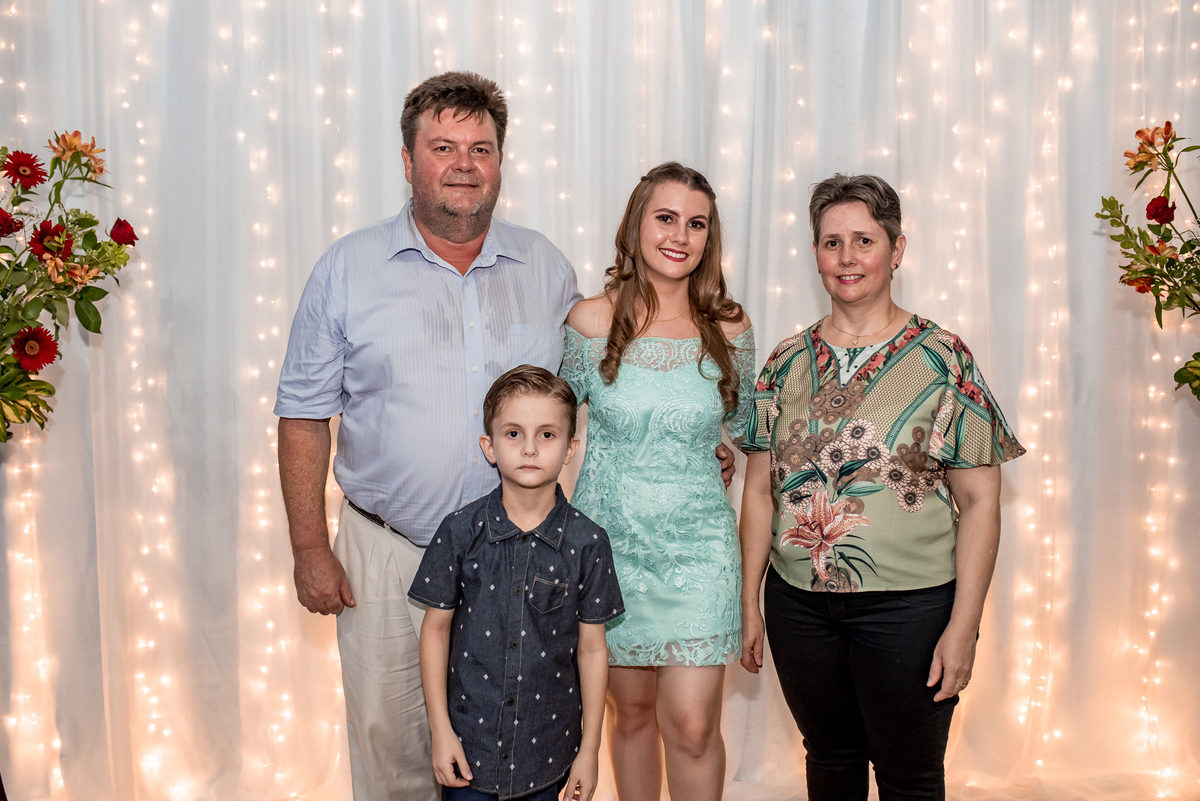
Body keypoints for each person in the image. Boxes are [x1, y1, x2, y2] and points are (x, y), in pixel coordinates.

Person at [274, 72, 584, 801]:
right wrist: (310, 548)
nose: (463, 164)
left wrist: (694, 435)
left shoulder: (545, 267)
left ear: (501, 161)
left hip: (519, 558)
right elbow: (303, 415)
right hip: (388, 557)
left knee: (516, 752)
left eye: (481, 148)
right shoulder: (347, 269)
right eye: (443, 147)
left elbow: (596, 384)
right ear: (408, 160)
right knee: (393, 754)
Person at [737, 173, 1025, 800]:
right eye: (831, 242)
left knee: (909, 777)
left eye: (864, 240)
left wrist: (964, 627)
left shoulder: (944, 359)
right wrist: (748, 600)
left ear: (896, 250)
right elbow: (759, 493)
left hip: (911, 609)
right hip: (799, 607)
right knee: (829, 759)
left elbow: (981, 502)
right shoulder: (784, 362)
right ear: (816, 253)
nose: (847, 257)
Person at [561, 162, 755, 801]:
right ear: (636, 224)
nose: (680, 236)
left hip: (699, 551)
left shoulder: (729, 328)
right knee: (632, 715)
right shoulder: (590, 322)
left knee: (694, 726)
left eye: (696, 224)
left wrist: (719, 453)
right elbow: (552, 426)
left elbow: (747, 432)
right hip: (611, 551)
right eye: (666, 218)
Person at [410, 365, 624, 801]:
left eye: (547, 434)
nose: (529, 448)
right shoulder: (459, 531)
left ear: (570, 447)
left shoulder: (588, 542)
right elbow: (434, 630)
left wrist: (589, 750)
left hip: (548, 753)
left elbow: (592, 649)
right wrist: (440, 730)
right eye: (513, 434)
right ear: (489, 447)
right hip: (470, 749)